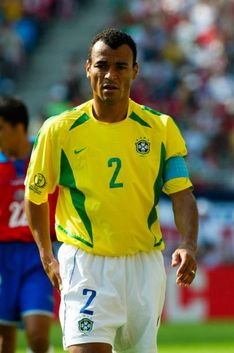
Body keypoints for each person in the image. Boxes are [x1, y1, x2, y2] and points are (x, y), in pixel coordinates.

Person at [24, 28, 199, 353]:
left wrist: (188, 243)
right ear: (88, 67)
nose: (110, 74)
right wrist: (48, 257)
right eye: (102, 65)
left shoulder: (160, 128)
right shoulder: (59, 130)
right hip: (86, 263)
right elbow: (35, 196)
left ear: (135, 70)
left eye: (120, 66)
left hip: (144, 267)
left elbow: (181, 192)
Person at [0, 96, 56, 353]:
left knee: (37, 335)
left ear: (19, 127)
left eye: (1, 127)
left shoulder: (45, 155)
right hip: (2, 256)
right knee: (4, 337)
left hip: (38, 254)